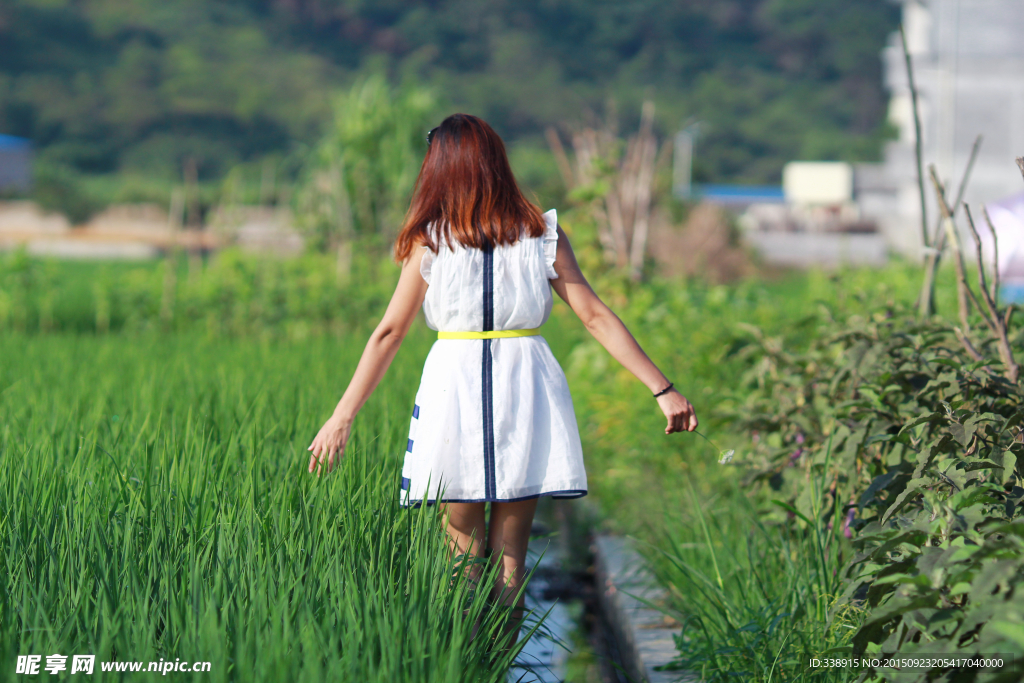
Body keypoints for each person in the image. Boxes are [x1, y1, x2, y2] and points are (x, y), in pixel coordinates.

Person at [307, 113, 698, 650]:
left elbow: (389, 332)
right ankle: (504, 664)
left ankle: (470, 662)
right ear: (496, 163)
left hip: (455, 382)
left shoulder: (432, 240)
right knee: (511, 551)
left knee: (461, 543)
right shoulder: (541, 233)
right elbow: (596, 316)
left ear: (440, 169)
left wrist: (342, 415)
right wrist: (663, 388)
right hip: (526, 382)